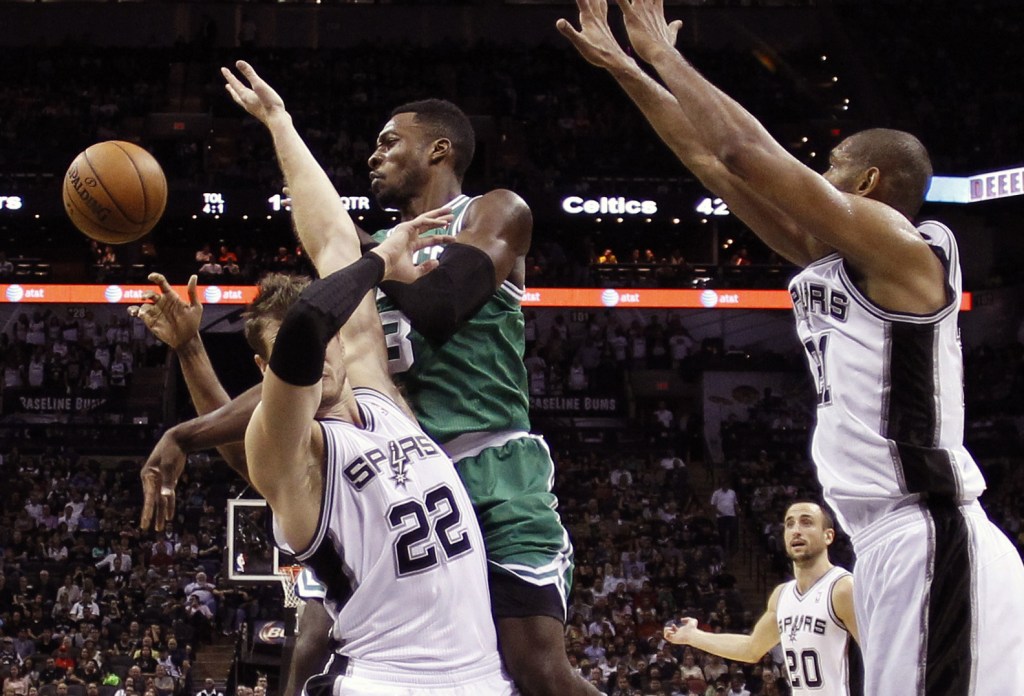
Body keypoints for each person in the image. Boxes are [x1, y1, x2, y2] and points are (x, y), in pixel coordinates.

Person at [557, 2, 1024, 694]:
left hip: (932, 534)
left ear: (867, 183)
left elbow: (745, 152)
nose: (817, 175)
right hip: (889, 543)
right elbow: (712, 163)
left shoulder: (911, 251)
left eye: (831, 165)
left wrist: (663, 53)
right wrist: (625, 68)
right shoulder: (830, 257)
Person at [216, 61, 591, 696]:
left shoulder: (491, 211)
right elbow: (324, 257)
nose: (373, 155)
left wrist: (373, 260)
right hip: (397, 463)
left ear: (439, 149)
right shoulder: (381, 251)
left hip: (485, 462)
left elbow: (440, 306)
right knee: (311, 644)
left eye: (389, 142)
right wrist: (280, 125)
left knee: (535, 668)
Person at [239, 209, 513, 694]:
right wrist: (382, 260)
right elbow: (306, 323)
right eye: (289, 351)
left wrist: (288, 151)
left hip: (482, 677)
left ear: (341, 341)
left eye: (329, 341)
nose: (318, 355)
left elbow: (332, 239)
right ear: (266, 368)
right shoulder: (288, 447)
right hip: (383, 679)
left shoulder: (381, 399)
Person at [665, 502, 860, 695]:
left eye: (806, 522)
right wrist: (693, 636)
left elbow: (875, 653)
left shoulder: (842, 588)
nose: (796, 530)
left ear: (828, 536)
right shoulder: (782, 595)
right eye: (790, 524)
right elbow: (751, 649)